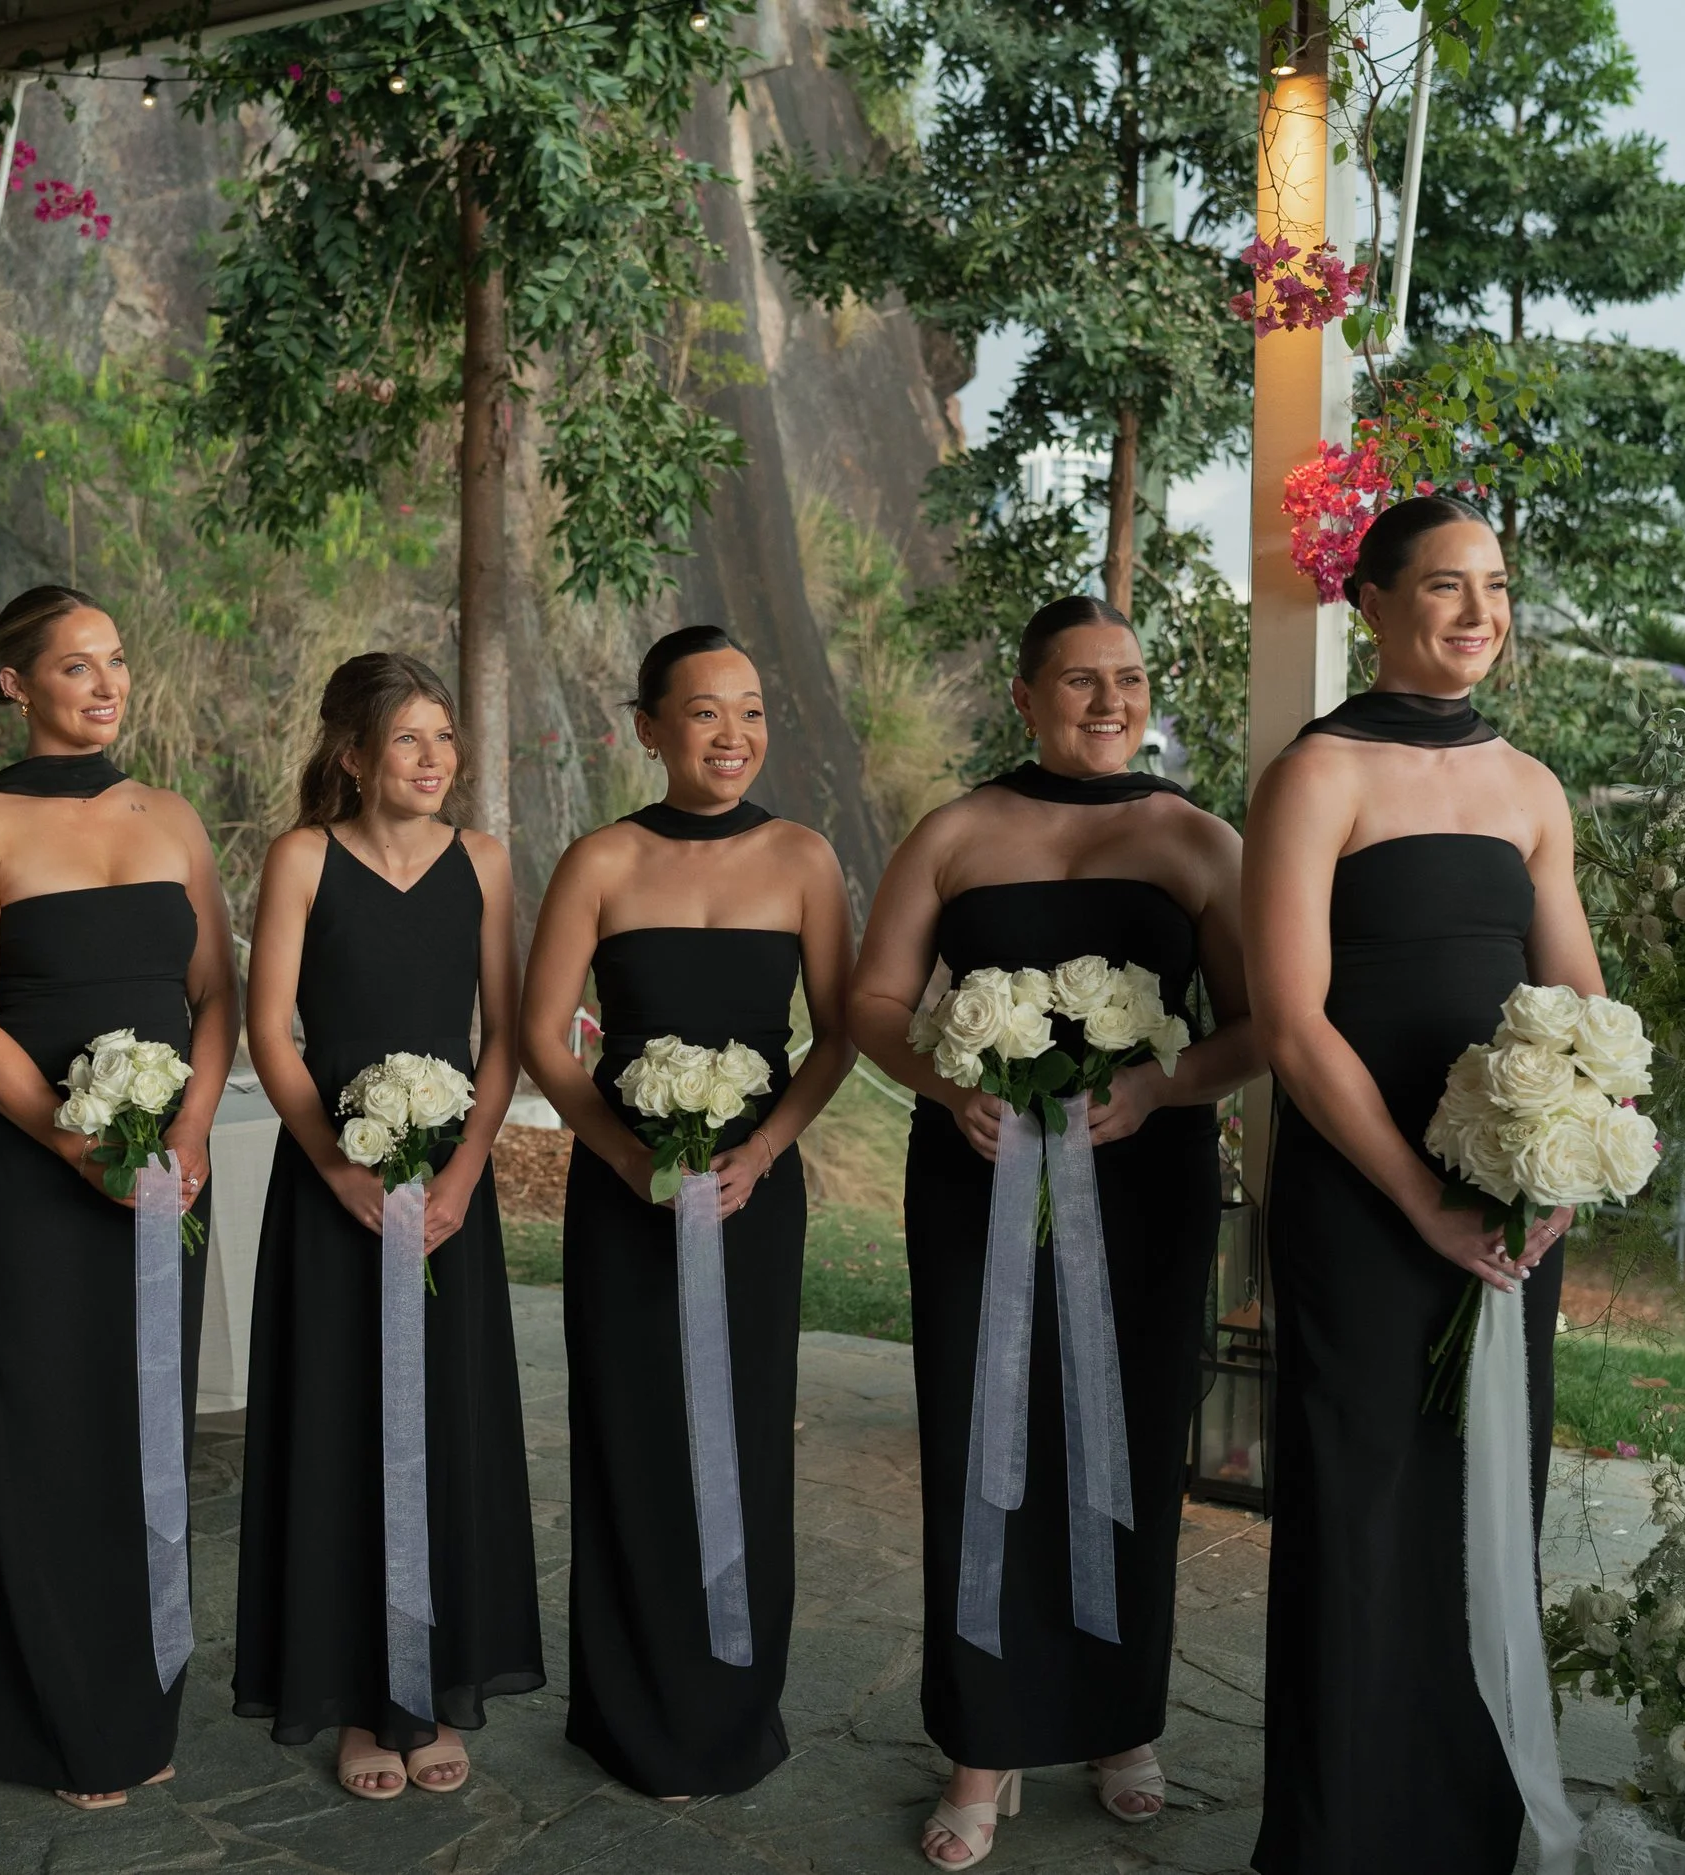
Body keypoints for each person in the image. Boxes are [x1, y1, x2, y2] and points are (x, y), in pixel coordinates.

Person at [848, 594, 1259, 1868]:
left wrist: (1160, 1087)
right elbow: (871, 1000)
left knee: (1127, 1442)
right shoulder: (956, 832)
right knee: (984, 1439)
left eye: (1127, 679)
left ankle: (1118, 1721)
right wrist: (945, 1084)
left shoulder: (1198, 841)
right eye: (1078, 681)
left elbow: (1255, 1027)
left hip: (1144, 1182)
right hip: (976, 1177)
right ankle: (981, 1741)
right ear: (1024, 696)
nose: (1108, 702)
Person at [1241, 496, 1602, 1875]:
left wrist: (1575, 1145)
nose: (1477, 613)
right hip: (1363, 1195)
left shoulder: (1530, 786)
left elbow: (1580, 998)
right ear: (1375, 603)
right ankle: (1337, 1836)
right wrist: (1418, 1196)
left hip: (1511, 1195)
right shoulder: (1318, 773)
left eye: (1497, 587)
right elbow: (1288, 1024)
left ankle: (1463, 1826)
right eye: (1445, 587)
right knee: (1361, 1500)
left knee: (1480, 1494)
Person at [518, 624, 856, 1798]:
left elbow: (839, 1034)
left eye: (752, 710)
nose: (733, 734)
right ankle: (625, 1715)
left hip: (752, 1195)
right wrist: (618, 1154)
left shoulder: (805, 859)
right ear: (648, 727)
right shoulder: (600, 861)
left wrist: (762, 1151)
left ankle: (731, 1711)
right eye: (705, 712)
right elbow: (540, 1036)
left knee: (744, 1436)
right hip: (626, 1196)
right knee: (633, 1431)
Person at [0, 585, 239, 1809]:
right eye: (75, 669)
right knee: (43, 1429)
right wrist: (75, 1145)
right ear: (15, 685)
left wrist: (188, 1134)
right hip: (36, 1169)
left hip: (165, 1173)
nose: (106, 686)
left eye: (115, 662)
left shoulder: (172, 820)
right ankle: (48, 1721)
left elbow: (217, 992)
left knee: (142, 1427)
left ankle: (136, 1697)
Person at [232, 652, 542, 1798]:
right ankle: (362, 1703)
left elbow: (503, 1035)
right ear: (353, 756)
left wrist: (463, 1172)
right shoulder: (302, 859)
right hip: (333, 1197)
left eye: (445, 739)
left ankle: (433, 1689)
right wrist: (336, 1169)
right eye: (407, 741)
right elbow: (274, 1033)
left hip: (452, 1196)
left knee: (443, 1429)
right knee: (341, 1428)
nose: (432, 761)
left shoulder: (488, 866)